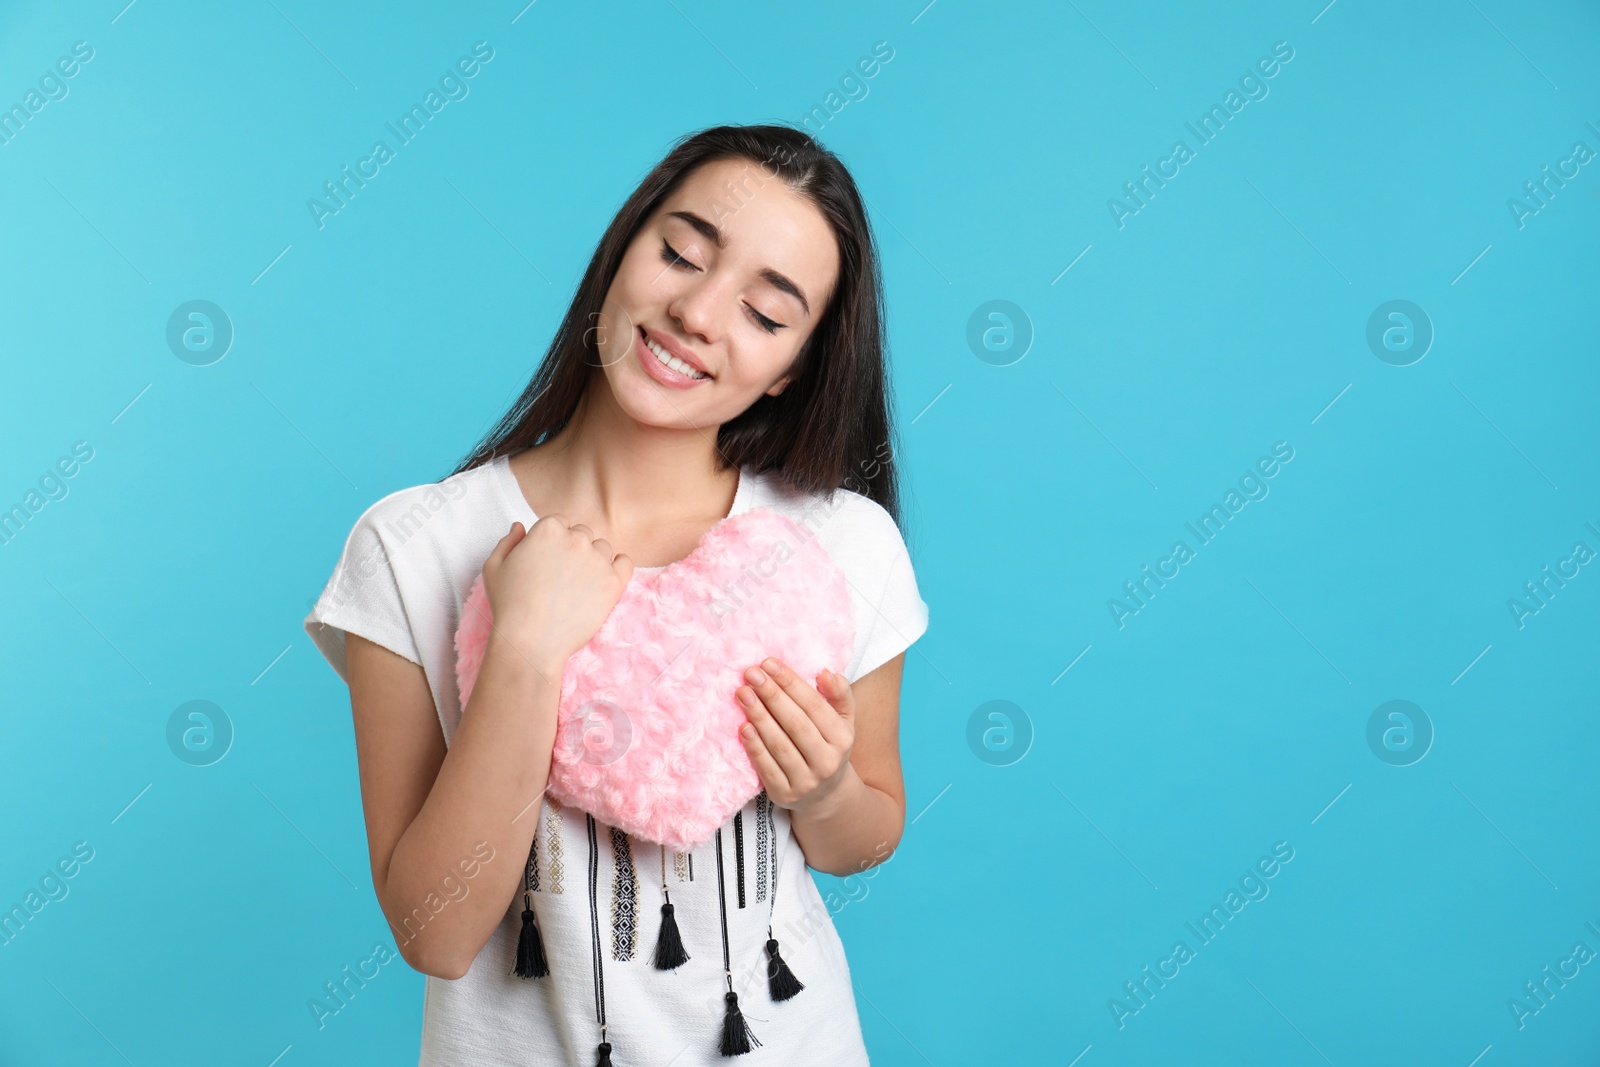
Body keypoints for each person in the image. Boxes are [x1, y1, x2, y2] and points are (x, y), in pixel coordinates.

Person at [304, 123, 930, 1066]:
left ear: (793, 368)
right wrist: (521, 649)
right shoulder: (414, 545)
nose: (699, 314)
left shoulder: (839, 544)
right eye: (681, 253)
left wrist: (827, 787)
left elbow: (860, 836)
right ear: (623, 248)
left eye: (766, 314)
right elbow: (434, 931)